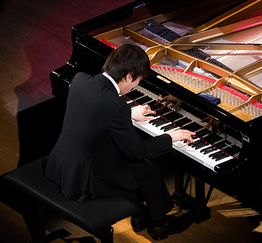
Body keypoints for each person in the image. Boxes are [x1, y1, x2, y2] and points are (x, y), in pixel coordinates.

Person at [44, 44, 195, 240]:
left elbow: (92, 111)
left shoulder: (81, 79)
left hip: (60, 164)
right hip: (85, 180)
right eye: (138, 81)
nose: (135, 86)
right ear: (129, 76)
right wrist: (171, 137)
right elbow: (137, 151)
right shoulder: (117, 106)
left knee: (134, 166)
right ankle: (160, 224)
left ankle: (140, 216)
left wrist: (129, 114)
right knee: (146, 168)